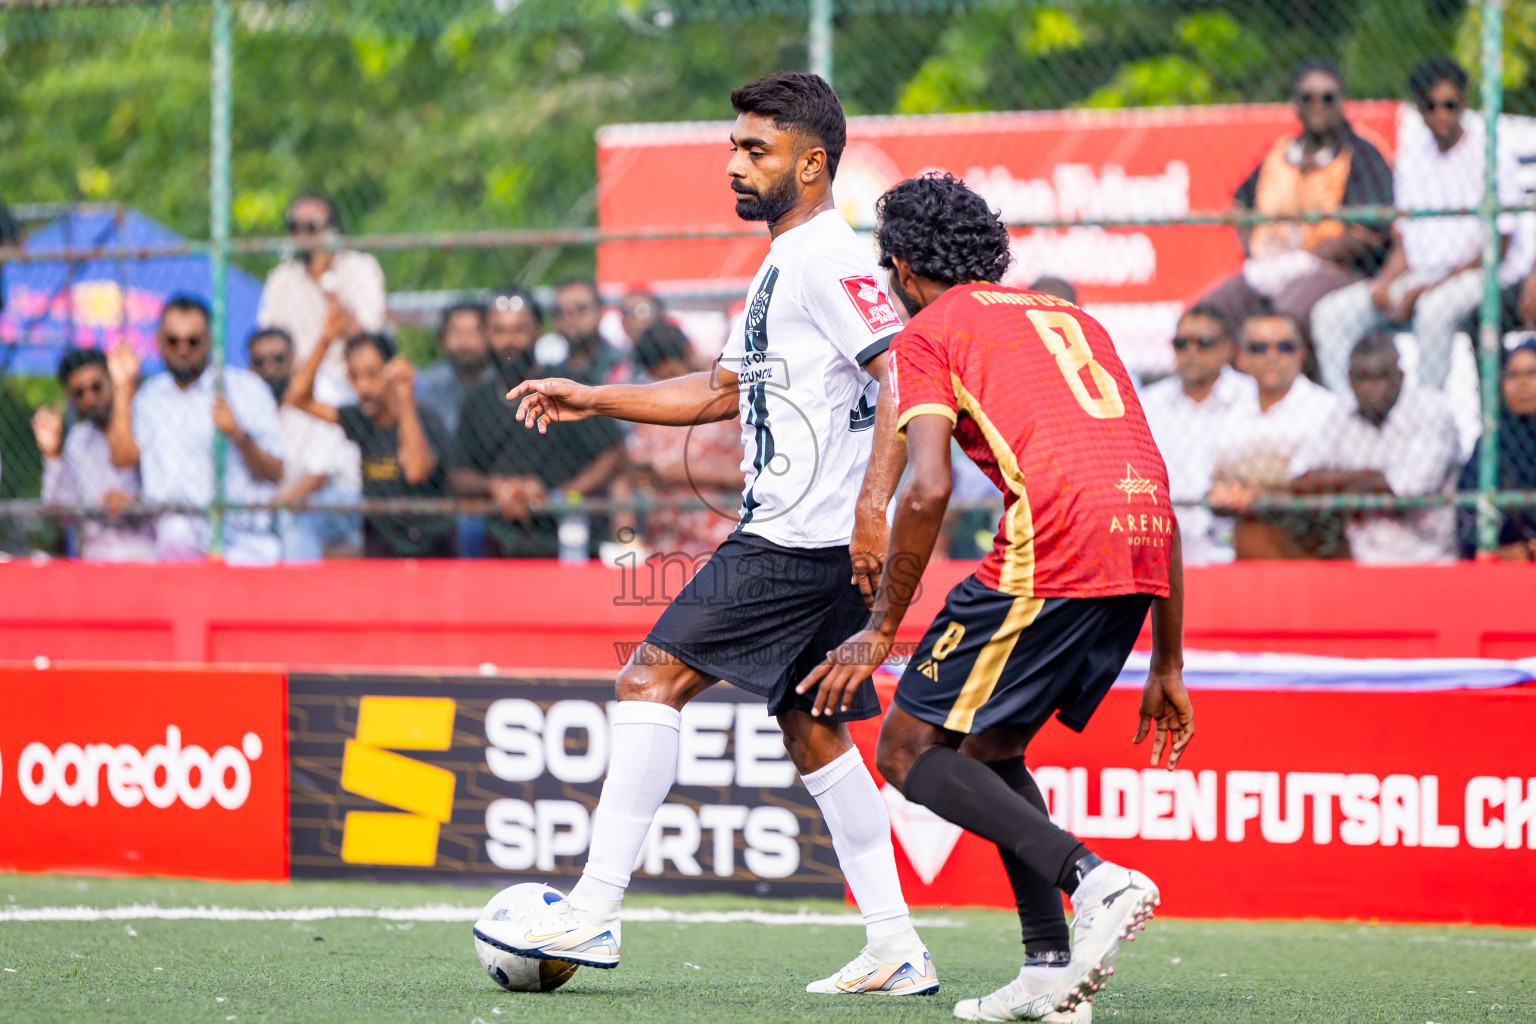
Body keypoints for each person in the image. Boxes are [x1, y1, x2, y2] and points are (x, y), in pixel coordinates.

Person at [476, 72, 935, 996]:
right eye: (733, 145)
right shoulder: (784, 260)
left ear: (813, 163)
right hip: (806, 540)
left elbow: (903, 373)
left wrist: (869, 506)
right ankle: (895, 946)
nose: (733, 161)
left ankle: (596, 912)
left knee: (650, 676)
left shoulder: (824, 256)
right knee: (810, 728)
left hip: (798, 541)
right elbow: (719, 391)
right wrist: (591, 398)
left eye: (754, 149)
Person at [798, 172, 1188, 1022]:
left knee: (904, 749)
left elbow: (929, 488)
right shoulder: (1071, 316)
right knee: (991, 748)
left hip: (1054, 547)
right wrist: (1168, 661)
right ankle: (1050, 973)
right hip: (1142, 541)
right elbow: (1151, 477)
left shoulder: (930, 332)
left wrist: (876, 630)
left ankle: (1095, 878)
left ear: (900, 268)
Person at [1312, 57, 1528, 395]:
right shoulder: (1412, 158)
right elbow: (1404, 245)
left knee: (1434, 310)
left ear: (1465, 104)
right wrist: (1384, 283)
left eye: (1450, 105)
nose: (1442, 114)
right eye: (1431, 106)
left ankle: (1429, 418)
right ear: (1419, 109)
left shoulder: (1490, 153)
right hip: (1420, 276)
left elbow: (1495, 249)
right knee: (1331, 314)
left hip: (1478, 274)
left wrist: (1429, 288)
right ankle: (1349, 416)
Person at [1200, 59, 1393, 332]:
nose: (1317, 106)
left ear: (1343, 101)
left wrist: (1305, 257)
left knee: (1283, 319)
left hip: (1337, 270)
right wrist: (1253, 249)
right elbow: (1241, 204)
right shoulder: (1280, 152)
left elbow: (1368, 234)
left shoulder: (1362, 154)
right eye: (1307, 98)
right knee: (1210, 314)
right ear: (1294, 103)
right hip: (1270, 265)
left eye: (1328, 98)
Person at [453, 288, 625, 558]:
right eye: (499, 331)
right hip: (502, 540)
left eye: (519, 330)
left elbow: (613, 454)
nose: (509, 341)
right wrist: (498, 488)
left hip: (569, 535)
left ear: (537, 333)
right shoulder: (477, 400)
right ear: (486, 336)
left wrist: (559, 497)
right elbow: (458, 474)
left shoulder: (565, 384)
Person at [118, 295, 285, 564]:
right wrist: (122, 387)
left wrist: (239, 436)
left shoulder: (245, 389)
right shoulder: (149, 397)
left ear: (210, 341)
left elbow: (276, 472)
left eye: (193, 341)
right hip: (176, 541)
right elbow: (123, 456)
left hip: (242, 538)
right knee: (175, 532)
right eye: (173, 341)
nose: (183, 349)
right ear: (159, 342)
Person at [1289, 329, 1461, 563]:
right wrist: (1373, 477)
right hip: (1362, 559)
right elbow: (1300, 478)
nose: (1372, 387)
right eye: (1363, 377)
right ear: (1349, 378)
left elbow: (1408, 486)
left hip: (1430, 558)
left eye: (1381, 376)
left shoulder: (1432, 410)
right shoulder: (1342, 415)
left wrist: (1336, 483)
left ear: (1400, 377)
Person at [289, 320, 456, 559]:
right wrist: (324, 341)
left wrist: (405, 396)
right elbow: (297, 398)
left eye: (372, 374)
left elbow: (416, 470)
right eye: (355, 377)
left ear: (391, 371)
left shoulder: (425, 419)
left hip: (430, 552)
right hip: (381, 552)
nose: (363, 387)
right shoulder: (361, 419)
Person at [1208, 314, 1343, 558]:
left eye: (1284, 347)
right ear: (1241, 358)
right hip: (1236, 540)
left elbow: (1321, 486)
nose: (1272, 356)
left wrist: (1261, 494)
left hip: (1310, 540)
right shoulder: (1227, 413)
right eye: (1259, 348)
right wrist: (1227, 492)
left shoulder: (1328, 410)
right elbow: (1215, 481)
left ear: (1301, 355)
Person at [1139, 305, 1256, 563]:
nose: (1191, 352)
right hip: (1163, 540)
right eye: (1182, 343)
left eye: (1203, 343)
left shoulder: (1250, 397)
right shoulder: (1150, 402)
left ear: (1227, 349)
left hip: (1233, 537)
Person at [620, 321, 744, 557]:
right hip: (667, 538)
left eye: (672, 373)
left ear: (686, 353)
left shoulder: (732, 387)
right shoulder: (653, 399)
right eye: (660, 377)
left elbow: (761, 473)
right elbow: (633, 472)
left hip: (722, 535)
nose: (672, 384)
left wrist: (688, 473)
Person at [246, 327, 363, 561]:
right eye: (261, 362)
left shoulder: (322, 392)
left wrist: (271, 504)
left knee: (294, 517)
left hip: (339, 497)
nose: (270, 368)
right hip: (285, 497)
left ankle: (296, 593)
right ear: (251, 368)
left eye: (278, 359)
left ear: (295, 360)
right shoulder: (251, 402)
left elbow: (318, 476)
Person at [256, 193, 385, 403]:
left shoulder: (361, 269)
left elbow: (364, 339)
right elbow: (269, 341)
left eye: (311, 227)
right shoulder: (281, 278)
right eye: (294, 227)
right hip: (295, 381)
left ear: (332, 232)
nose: (301, 235)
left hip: (347, 381)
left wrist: (324, 279)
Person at [33, 346, 155, 561]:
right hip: (95, 560)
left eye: (96, 387)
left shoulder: (146, 424)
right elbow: (60, 511)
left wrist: (134, 504)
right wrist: (53, 456)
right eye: (79, 393)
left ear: (111, 380)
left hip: (145, 556)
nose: (89, 399)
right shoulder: (77, 441)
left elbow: (169, 495)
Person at [1458, 339, 1536, 559]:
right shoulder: (1491, 445)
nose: (1522, 384)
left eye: (1532, 373)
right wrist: (1508, 553)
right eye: (1512, 375)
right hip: (1508, 568)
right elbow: (1468, 526)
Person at [414, 302, 495, 438]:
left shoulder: (504, 384)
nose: (465, 342)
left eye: (473, 332)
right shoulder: (431, 385)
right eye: (457, 332)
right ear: (443, 339)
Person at [541, 278, 629, 385]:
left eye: (580, 308)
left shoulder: (624, 365)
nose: (570, 317)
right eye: (561, 310)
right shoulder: (549, 374)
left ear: (600, 311)